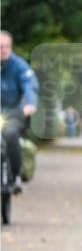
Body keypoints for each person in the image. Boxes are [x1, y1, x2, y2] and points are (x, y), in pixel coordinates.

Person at [0, 30, 38, 193]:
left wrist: (30, 103)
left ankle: (15, 175)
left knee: (10, 134)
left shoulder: (19, 65)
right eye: (0, 46)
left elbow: (29, 85)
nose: (3, 50)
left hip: (14, 112)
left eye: (6, 46)